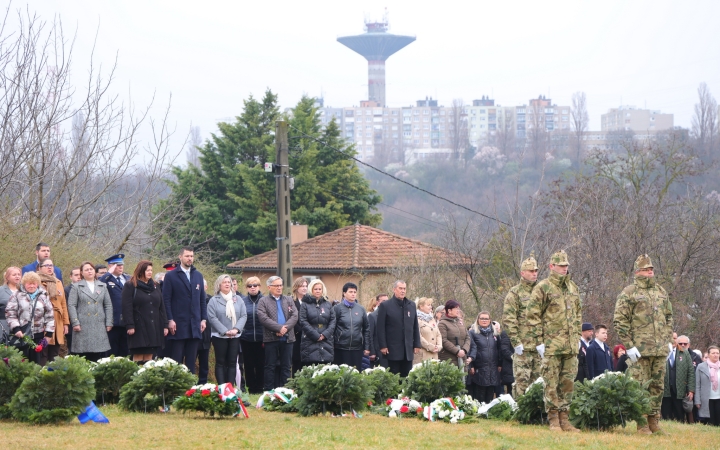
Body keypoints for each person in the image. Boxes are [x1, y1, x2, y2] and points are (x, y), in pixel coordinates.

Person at [613, 254, 673, 434]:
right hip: (640, 351)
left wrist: (668, 340)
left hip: (659, 349)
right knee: (640, 387)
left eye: (652, 269)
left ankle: (654, 421)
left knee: (657, 387)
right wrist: (629, 345)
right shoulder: (629, 292)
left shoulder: (661, 291)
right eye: (647, 269)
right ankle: (642, 423)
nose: (651, 272)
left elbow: (669, 317)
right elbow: (620, 320)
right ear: (638, 271)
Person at [525, 250, 581, 432]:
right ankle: (553, 420)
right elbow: (532, 315)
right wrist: (539, 341)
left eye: (566, 266)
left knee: (568, 383)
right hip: (551, 345)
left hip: (570, 345)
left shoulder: (572, 287)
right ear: (552, 266)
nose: (564, 269)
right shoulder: (543, 287)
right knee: (551, 383)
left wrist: (578, 337)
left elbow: (578, 314)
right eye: (561, 266)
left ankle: (565, 419)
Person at [162, 247, 207, 374]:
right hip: (178, 324)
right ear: (180, 257)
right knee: (176, 360)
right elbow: (166, 300)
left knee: (191, 360)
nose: (190, 258)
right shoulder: (171, 276)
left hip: (194, 325)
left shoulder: (198, 275)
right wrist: (170, 320)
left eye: (191, 256)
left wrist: (203, 319)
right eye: (187, 256)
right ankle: (176, 388)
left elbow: (202, 300)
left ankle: (190, 388)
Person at [502, 255, 540, 398]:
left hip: (539, 346)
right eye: (531, 271)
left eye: (536, 270)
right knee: (522, 382)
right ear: (523, 273)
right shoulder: (515, 293)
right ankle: (521, 413)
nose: (534, 273)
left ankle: (538, 413)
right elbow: (509, 319)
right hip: (523, 347)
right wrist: (516, 342)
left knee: (539, 381)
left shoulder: (542, 291)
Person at [122, 260, 168, 364]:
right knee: (139, 354)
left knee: (150, 355)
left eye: (151, 270)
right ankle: (137, 377)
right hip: (138, 326)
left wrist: (165, 325)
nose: (150, 272)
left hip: (154, 325)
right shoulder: (130, 286)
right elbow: (126, 307)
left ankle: (147, 378)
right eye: (147, 270)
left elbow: (162, 307)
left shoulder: (156, 286)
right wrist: (130, 325)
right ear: (140, 271)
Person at [5, 272, 55, 365]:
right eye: (29, 283)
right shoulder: (17, 295)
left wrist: (48, 334)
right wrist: (16, 328)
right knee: (21, 363)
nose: (31, 286)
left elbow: (50, 316)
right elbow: (10, 313)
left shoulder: (44, 296)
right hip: (21, 335)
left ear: (37, 284)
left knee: (37, 364)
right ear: (24, 283)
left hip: (38, 335)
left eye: (34, 283)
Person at [67, 262, 113, 362]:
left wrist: (109, 322)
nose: (89, 271)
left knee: (99, 356)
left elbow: (108, 305)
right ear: (82, 273)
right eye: (86, 270)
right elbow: (71, 305)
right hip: (83, 325)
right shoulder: (76, 287)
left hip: (99, 324)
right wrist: (75, 322)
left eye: (91, 269)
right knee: (83, 356)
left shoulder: (102, 286)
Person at [257, 276, 297, 390]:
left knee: (286, 366)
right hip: (271, 339)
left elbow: (295, 315)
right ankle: (269, 390)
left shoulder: (288, 300)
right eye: (276, 285)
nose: (279, 288)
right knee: (270, 366)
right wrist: (278, 329)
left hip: (288, 338)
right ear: (269, 287)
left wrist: (285, 329)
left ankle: (286, 390)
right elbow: (263, 318)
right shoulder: (263, 301)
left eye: (281, 285)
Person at [207, 274, 247, 385]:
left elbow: (243, 315)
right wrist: (225, 331)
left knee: (232, 362)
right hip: (219, 336)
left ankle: (230, 387)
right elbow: (212, 317)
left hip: (235, 336)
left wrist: (236, 329)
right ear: (219, 285)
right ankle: (222, 387)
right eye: (224, 282)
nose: (227, 284)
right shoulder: (213, 300)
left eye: (229, 282)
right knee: (220, 362)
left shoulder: (238, 299)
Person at [376, 280, 421, 377]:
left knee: (407, 376)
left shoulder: (411, 305)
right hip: (392, 349)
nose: (403, 291)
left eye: (404, 288)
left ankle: (405, 393)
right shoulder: (386, 306)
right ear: (394, 289)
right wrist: (383, 345)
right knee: (394, 376)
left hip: (407, 349)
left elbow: (415, 326)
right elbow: (380, 328)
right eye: (400, 288)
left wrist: (417, 344)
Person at [332, 282, 370, 371]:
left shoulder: (361, 309)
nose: (353, 294)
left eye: (354, 292)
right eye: (350, 292)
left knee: (356, 373)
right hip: (340, 348)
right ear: (344, 293)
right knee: (341, 374)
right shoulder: (337, 308)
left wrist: (367, 347)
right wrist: (332, 344)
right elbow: (332, 327)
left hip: (357, 348)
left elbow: (366, 329)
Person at [37, 258, 69, 361]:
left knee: (55, 353)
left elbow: (63, 303)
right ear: (40, 268)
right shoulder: (36, 282)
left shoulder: (58, 282)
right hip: (43, 321)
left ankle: (53, 375)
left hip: (58, 322)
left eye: (51, 265)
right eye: (46, 265)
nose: (50, 267)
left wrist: (65, 323)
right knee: (43, 352)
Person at [98, 254, 131, 357]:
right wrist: (108, 273)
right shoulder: (106, 279)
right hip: (113, 321)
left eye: (122, 264)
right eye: (117, 265)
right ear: (110, 266)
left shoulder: (128, 278)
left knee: (126, 351)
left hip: (127, 321)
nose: (120, 267)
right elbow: (98, 286)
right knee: (112, 352)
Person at [299, 279, 336, 365]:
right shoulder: (305, 304)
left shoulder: (328, 304)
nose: (318, 291)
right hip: (310, 340)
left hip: (326, 340)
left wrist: (325, 334)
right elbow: (303, 321)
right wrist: (315, 335)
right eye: (315, 289)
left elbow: (333, 321)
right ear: (311, 290)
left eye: (320, 289)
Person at [661, 334, 695, 423]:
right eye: (670, 337)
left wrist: (691, 390)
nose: (673, 340)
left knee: (679, 416)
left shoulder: (684, 352)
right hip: (665, 390)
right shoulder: (661, 352)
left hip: (680, 390)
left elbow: (691, 372)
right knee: (666, 416)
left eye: (675, 338)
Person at [468, 311, 499, 403]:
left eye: (486, 318)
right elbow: (470, 349)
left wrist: (500, 364)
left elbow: (499, 349)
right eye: (482, 318)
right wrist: (471, 365)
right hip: (479, 368)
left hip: (492, 368)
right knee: (479, 394)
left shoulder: (495, 333)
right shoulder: (472, 333)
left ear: (490, 320)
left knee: (490, 392)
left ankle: (488, 413)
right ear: (478, 320)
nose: (484, 320)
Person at [240, 277, 265, 393]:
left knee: (261, 363)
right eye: (250, 286)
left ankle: (260, 387)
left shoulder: (265, 300)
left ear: (259, 286)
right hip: (246, 338)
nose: (253, 287)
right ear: (247, 288)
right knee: (248, 365)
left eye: (255, 285)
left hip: (262, 338)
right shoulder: (242, 301)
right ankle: (251, 387)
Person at [438, 300, 471, 367]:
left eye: (459, 308)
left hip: (462, 357)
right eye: (456, 308)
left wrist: (464, 350)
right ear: (449, 310)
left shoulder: (460, 323)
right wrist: (457, 351)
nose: (458, 310)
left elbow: (467, 337)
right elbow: (443, 340)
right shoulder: (442, 323)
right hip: (449, 359)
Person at [695, 345, 720, 426]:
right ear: (708, 355)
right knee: (711, 423)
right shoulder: (701, 367)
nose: (715, 355)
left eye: (717, 353)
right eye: (713, 353)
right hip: (707, 399)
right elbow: (697, 385)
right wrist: (697, 400)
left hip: (719, 398)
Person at [414, 297, 441, 364]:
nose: (431, 307)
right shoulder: (415, 319)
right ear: (421, 306)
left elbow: (438, 334)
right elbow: (418, 336)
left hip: (434, 354)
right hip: (423, 355)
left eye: (431, 305)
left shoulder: (432, 319)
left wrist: (439, 346)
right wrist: (430, 347)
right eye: (428, 305)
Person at [291, 277, 308, 376]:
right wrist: (300, 330)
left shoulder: (310, 301)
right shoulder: (291, 301)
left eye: (306, 286)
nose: (304, 288)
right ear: (296, 287)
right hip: (296, 335)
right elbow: (290, 318)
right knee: (296, 362)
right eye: (302, 286)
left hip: (308, 336)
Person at [63, 267, 82, 354]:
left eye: (80, 275)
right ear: (71, 276)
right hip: (72, 326)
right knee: (73, 352)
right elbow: (67, 308)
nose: (79, 277)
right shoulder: (67, 290)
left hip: (85, 326)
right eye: (76, 275)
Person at [0, 267, 22, 342]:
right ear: (7, 277)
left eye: (19, 274)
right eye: (14, 275)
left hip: (20, 326)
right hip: (4, 325)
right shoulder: (1, 290)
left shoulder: (23, 291)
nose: (17, 276)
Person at [494, 321, 515, 397]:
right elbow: (505, 350)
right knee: (512, 392)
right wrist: (516, 359)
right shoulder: (506, 333)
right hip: (511, 367)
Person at [367, 293, 388, 367]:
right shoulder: (372, 316)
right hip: (378, 352)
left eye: (387, 301)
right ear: (377, 303)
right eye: (383, 301)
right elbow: (370, 335)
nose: (386, 303)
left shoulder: (390, 315)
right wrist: (372, 352)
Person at [197, 279, 211, 384]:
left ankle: (203, 383)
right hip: (194, 336)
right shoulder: (193, 299)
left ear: (206, 287)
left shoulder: (211, 300)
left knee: (204, 362)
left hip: (206, 336)